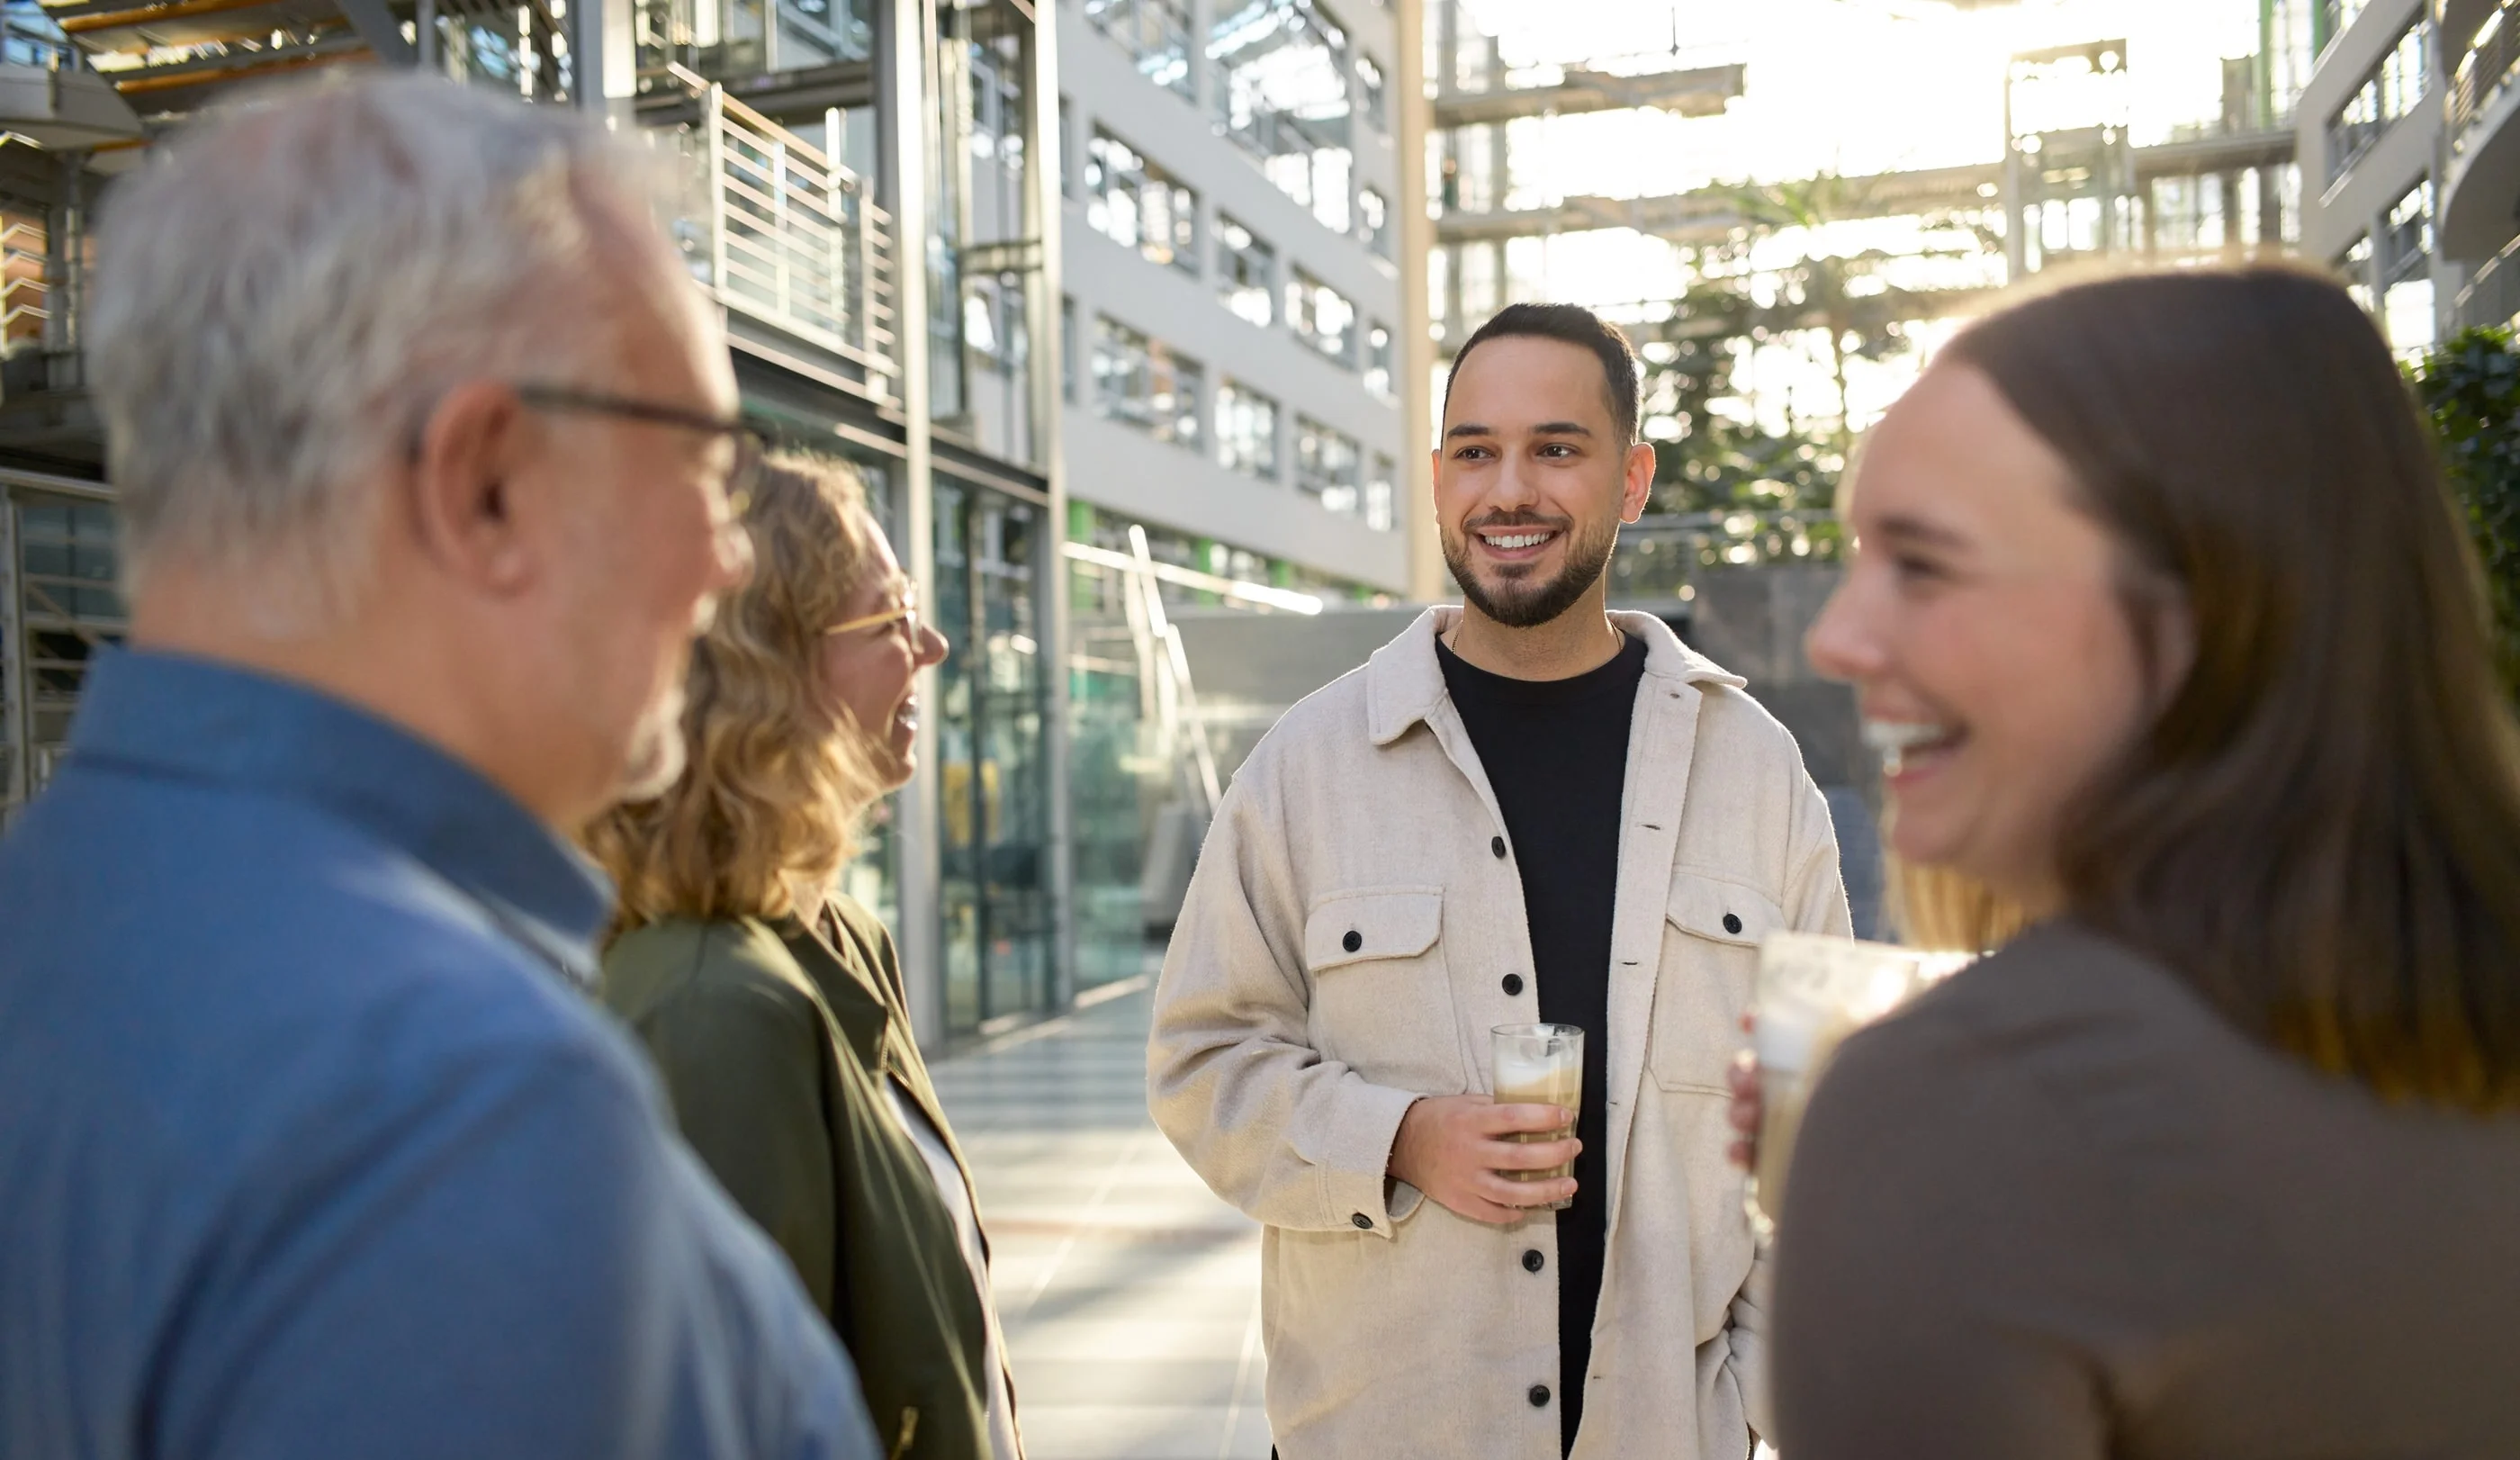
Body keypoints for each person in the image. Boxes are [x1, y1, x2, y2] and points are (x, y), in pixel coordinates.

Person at [0, 78, 878, 1458]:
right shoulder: (454, 1110)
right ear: (483, 484)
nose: (728, 556)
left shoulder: (58, 927)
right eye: (703, 465)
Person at [1771, 264, 2520, 1455]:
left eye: (1924, 563)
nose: (1838, 636)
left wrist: (1892, 1164)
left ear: (2203, 604)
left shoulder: (1969, 1112)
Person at [1149, 302, 1852, 1460]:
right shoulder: (1308, 766)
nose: (1508, 489)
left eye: (1555, 450)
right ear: (1436, 480)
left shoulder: (1757, 772)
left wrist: (1757, 1402)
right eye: (1475, 451)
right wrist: (1400, 1136)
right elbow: (1200, 1063)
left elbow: (1819, 1121)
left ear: (1630, 481)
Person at [586, 456, 1019, 1460]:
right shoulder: (713, 1010)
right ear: (767, 665)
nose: (932, 644)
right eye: (890, 614)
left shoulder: (842, 937)